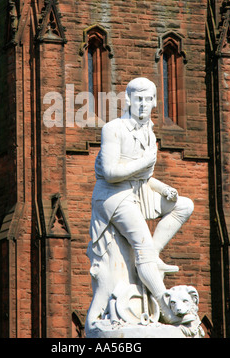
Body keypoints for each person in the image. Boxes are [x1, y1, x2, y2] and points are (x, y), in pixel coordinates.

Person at [89, 77, 194, 323]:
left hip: (138, 190)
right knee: (142, 248)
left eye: (148, 100)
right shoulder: (113, 128)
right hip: (113, 195)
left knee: (184, 205)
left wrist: (164, 187)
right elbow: (111, 172)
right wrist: (144, 162)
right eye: (139, 99)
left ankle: (150, 257)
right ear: (128, 101)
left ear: (154, 102)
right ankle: (166, 308)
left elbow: (145, 176)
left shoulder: (149, 130)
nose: (144, 105)